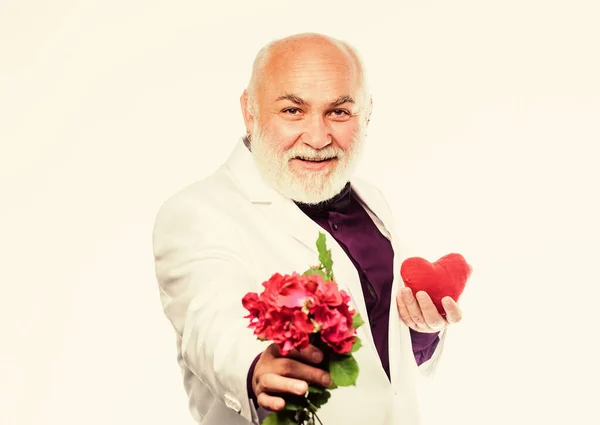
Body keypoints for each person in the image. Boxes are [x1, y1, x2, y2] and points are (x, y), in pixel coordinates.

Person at [152, 32, 463, 425]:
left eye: (339, 112)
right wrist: (255, 370)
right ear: (250, 111)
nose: (318, 138)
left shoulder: (373, 200)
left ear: (367, 114)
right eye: (293, 111)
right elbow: (211, 322)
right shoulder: (196, 212)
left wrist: (419, 332)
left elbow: (383, 367)